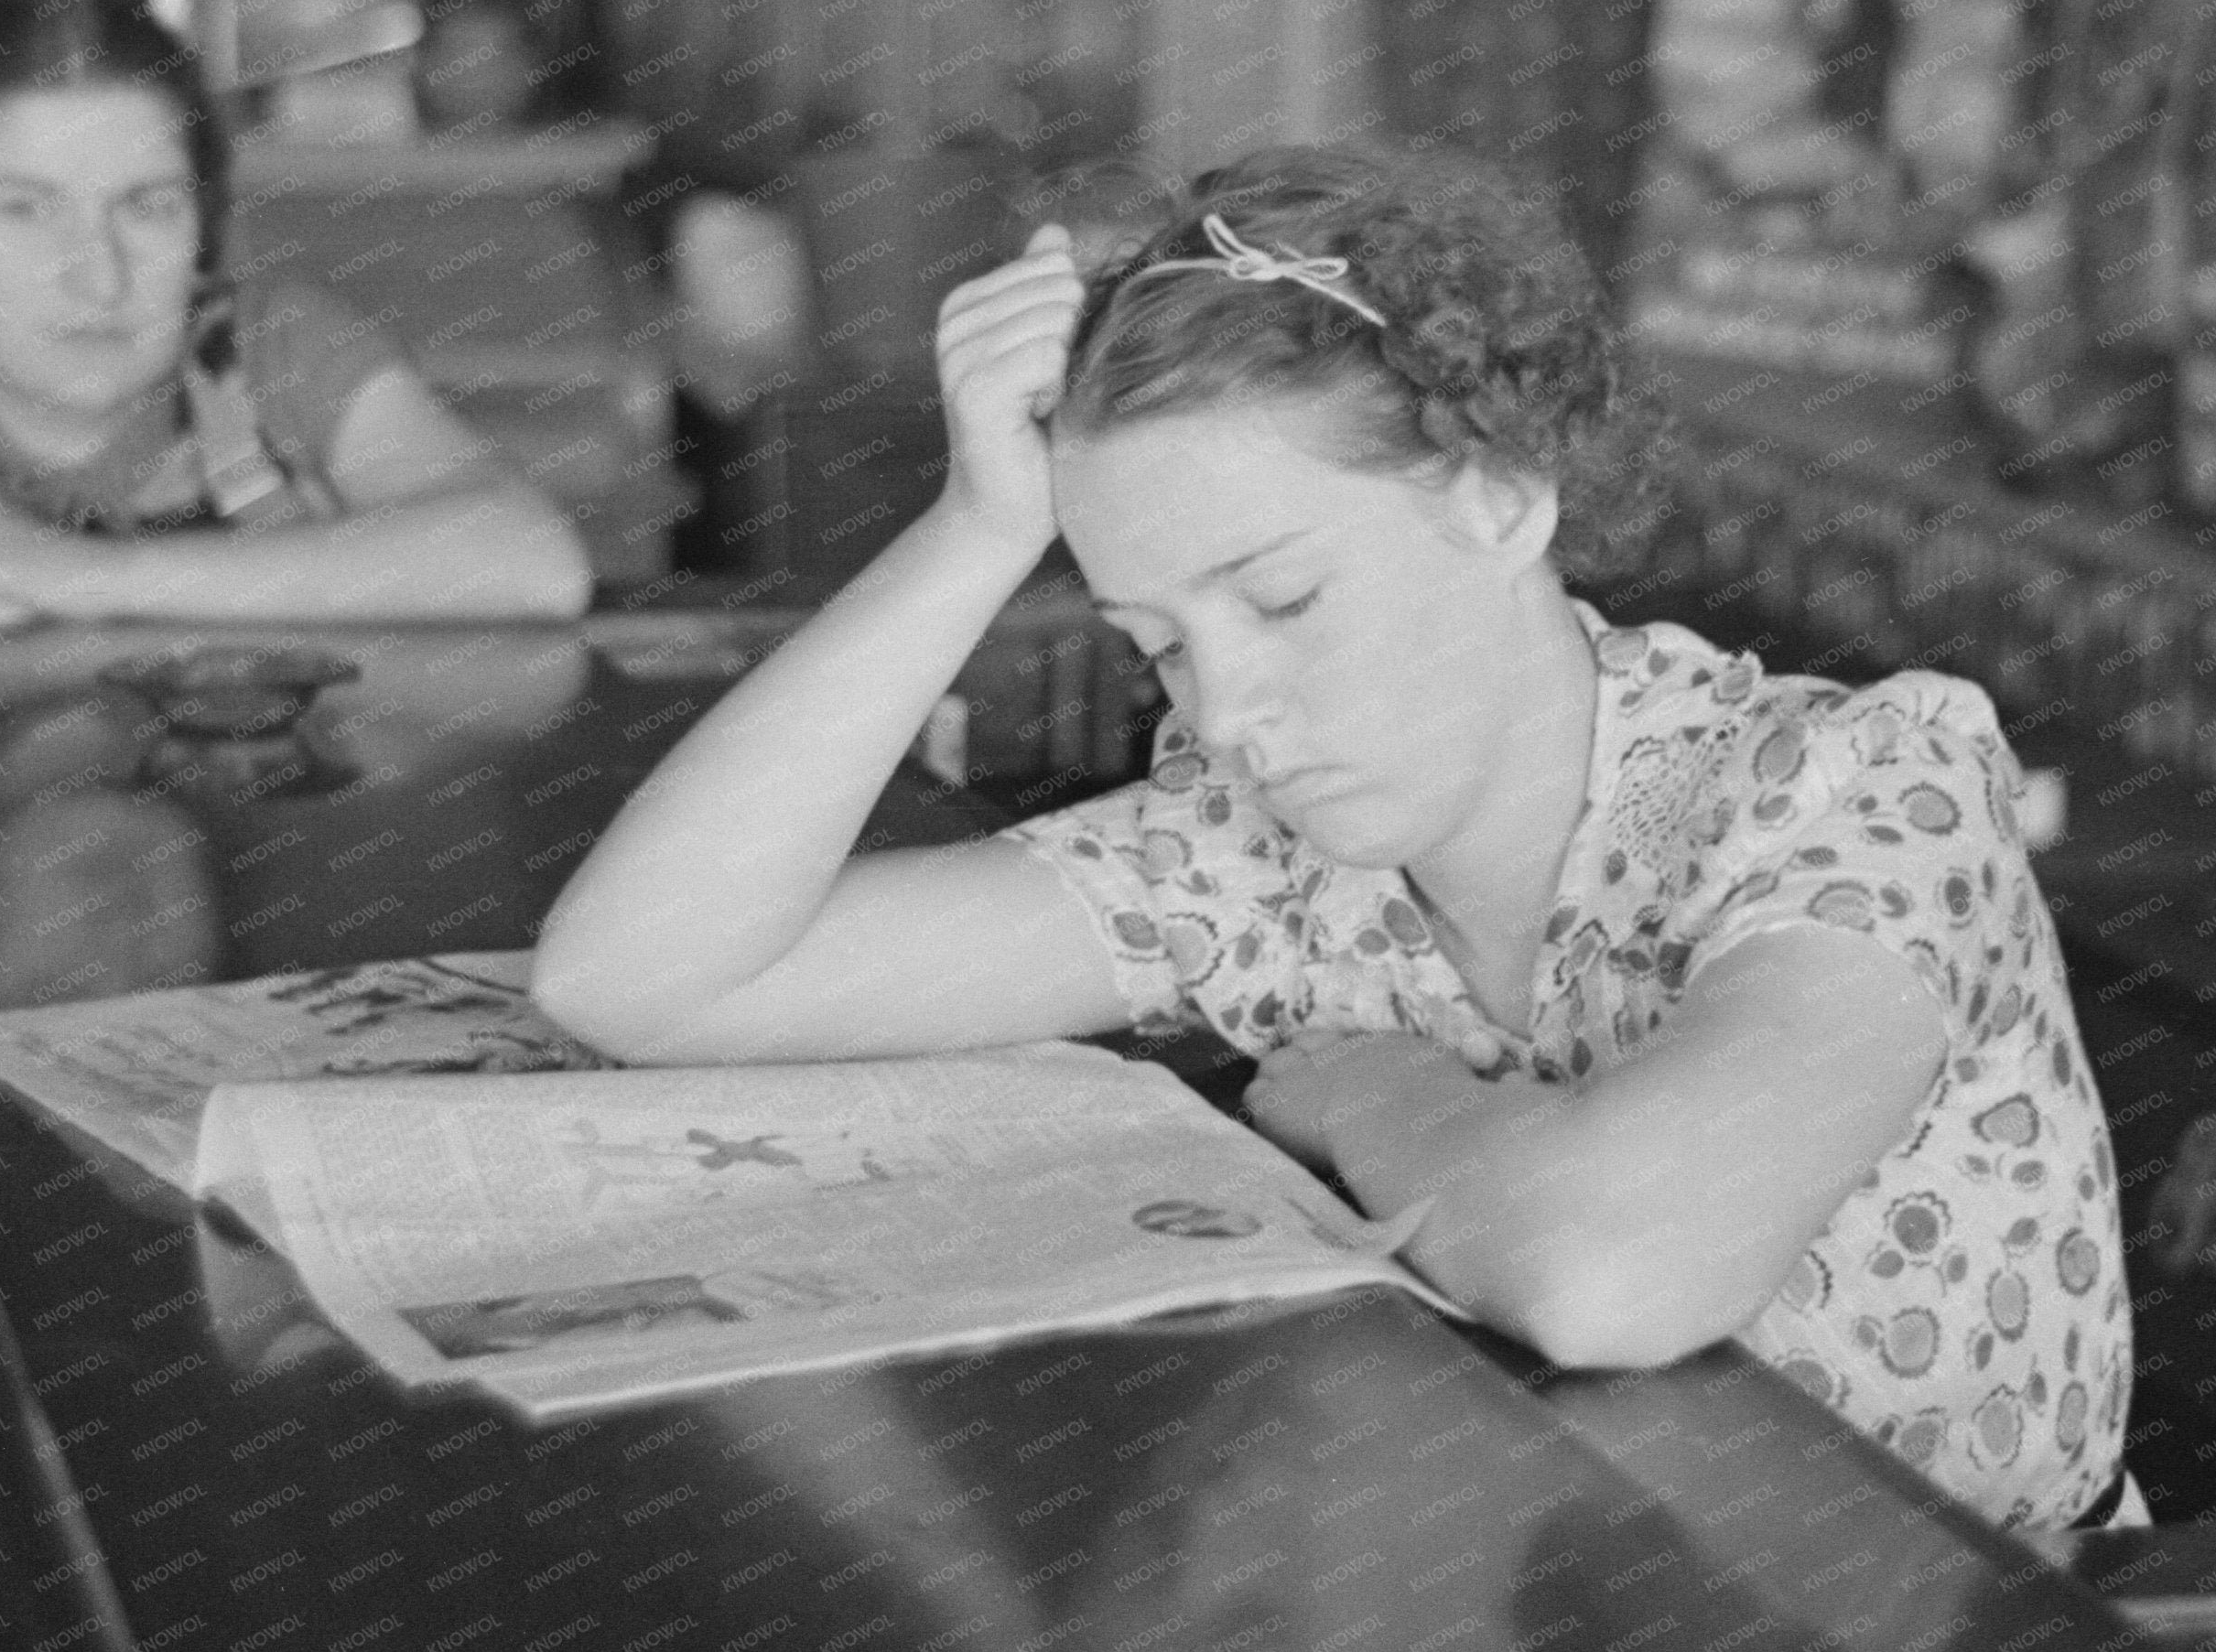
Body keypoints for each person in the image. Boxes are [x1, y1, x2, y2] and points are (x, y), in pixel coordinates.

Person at [532, 146, 2135, 1528]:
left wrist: (1376, 1091)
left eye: (1284, 597)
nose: (1228, 709)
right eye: (1159, 640)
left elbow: (1610, 1270)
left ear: (1502, 494)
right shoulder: (1268, 861)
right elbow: (643, 976)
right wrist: (976, 529)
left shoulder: (1862, 786)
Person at [0, 0, 591, 627]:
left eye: (149, 207)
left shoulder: (265, 347)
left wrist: (78, 576)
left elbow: (532, 561)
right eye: (24, 209)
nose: (100, 278)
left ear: (205, 228)